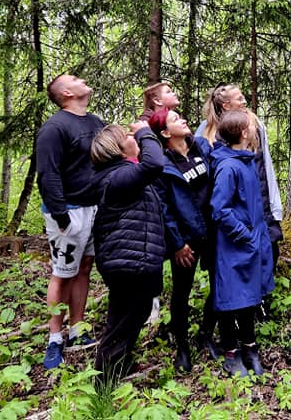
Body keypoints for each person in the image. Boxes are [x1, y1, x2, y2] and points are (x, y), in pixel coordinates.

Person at [35, 74, 105, 370]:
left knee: (85, 267)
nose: (83, 79)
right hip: (68, 211)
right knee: (63, 273)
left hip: (95, 207)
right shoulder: (55, 128)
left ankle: (77, 328)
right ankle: (55, 338)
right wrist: (60, 214)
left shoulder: (95, 122)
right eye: (75, 79)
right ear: (66, 92)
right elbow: (47, 173)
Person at [90, 121, 166, 385]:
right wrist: (146, 131)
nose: (134, 137)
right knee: (121, 323)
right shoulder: (118, 177)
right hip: (128, 263)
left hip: (134, 260)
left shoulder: (123, 175)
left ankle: (118, 368)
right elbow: (154, 164)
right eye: (128, 136)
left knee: (133, 315)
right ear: (119, 149)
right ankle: (103, 386)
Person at [208, 110, 275, 377]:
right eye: (251, 126)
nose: (255, 129)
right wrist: (244, 235)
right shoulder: (228, 167)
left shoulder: (246, 160)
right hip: (233, 245)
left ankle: (250, 348)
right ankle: (230, 352)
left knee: (249, 297)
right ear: (244, 133)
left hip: (251, 243)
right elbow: (219, 209)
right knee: (229, 299)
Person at [147, 108, 214, 373]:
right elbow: (164, 208)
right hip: (186, 240)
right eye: (176, 119)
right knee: (181, 292)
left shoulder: (201, 148)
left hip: (214, 232)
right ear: (165, 133)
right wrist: (176, 243)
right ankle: (182, 348)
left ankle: (206, 334)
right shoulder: (164, 165)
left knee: (219, 285)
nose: (183, 120)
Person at [197, 84, 283, 264]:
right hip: (228, 212)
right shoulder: (207, 130)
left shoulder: (254, 124)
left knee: (268, 256)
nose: (244, 101)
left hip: (258, 205)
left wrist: (275, 209)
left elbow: (265, 167)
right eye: (239, 98)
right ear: (226, 105)